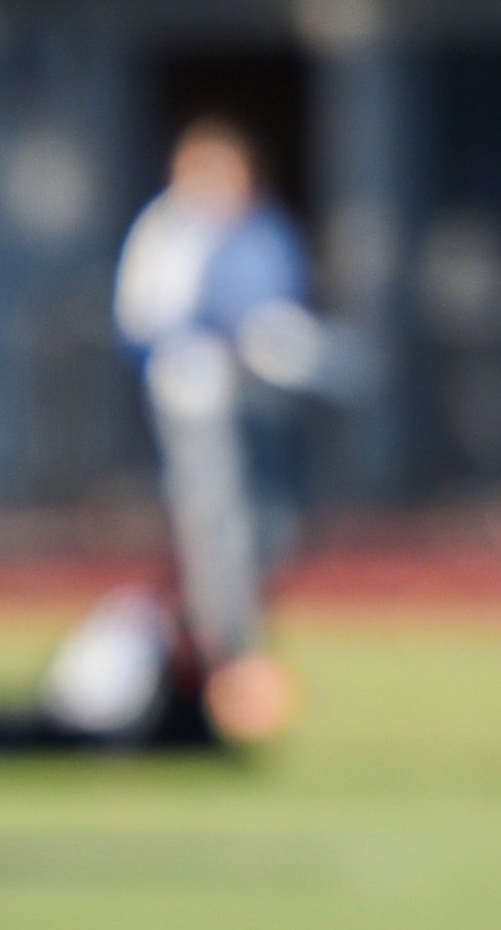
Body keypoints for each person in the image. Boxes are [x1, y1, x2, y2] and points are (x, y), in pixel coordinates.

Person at [112, 116, 335, 742]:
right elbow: (141, 321)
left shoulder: (266, 231)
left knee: (275, 522)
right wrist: (207, 348)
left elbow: (287, 304)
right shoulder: (169, 233)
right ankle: (221, 654)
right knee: (216, 523)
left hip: (264, 399)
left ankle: (224, 632)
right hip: (199, 399)